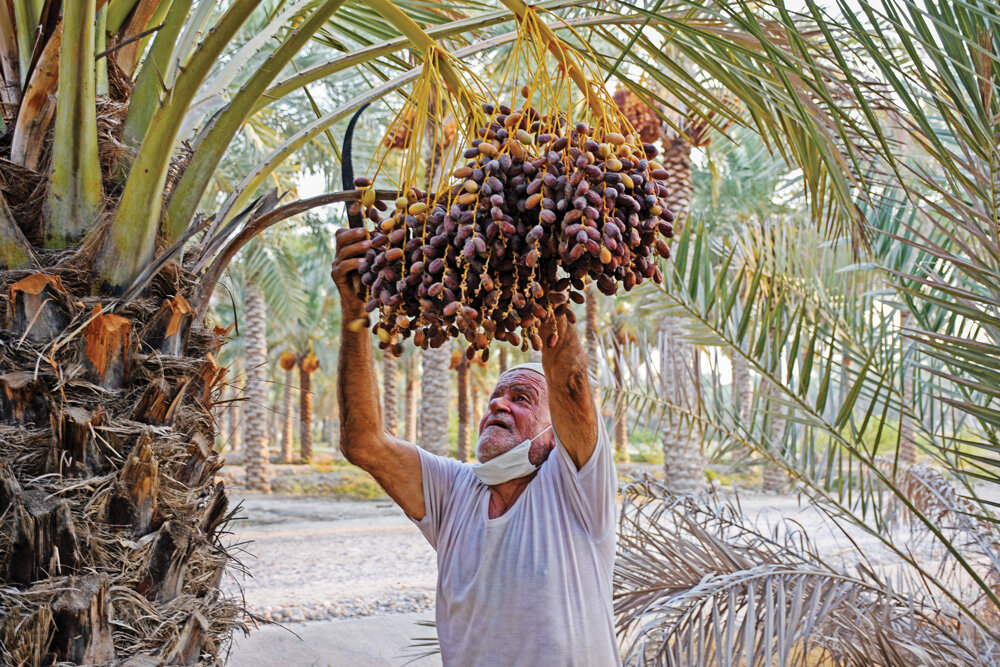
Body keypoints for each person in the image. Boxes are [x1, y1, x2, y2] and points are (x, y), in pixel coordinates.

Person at [331, 226, 620, 666]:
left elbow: (572, 383)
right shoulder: (454, 492)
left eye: (521, 398)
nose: (499, 405)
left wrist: (537, 252)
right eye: (495, 398)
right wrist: (354, 311)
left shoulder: (577, 489)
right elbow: (364, 442)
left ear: (555, 430)